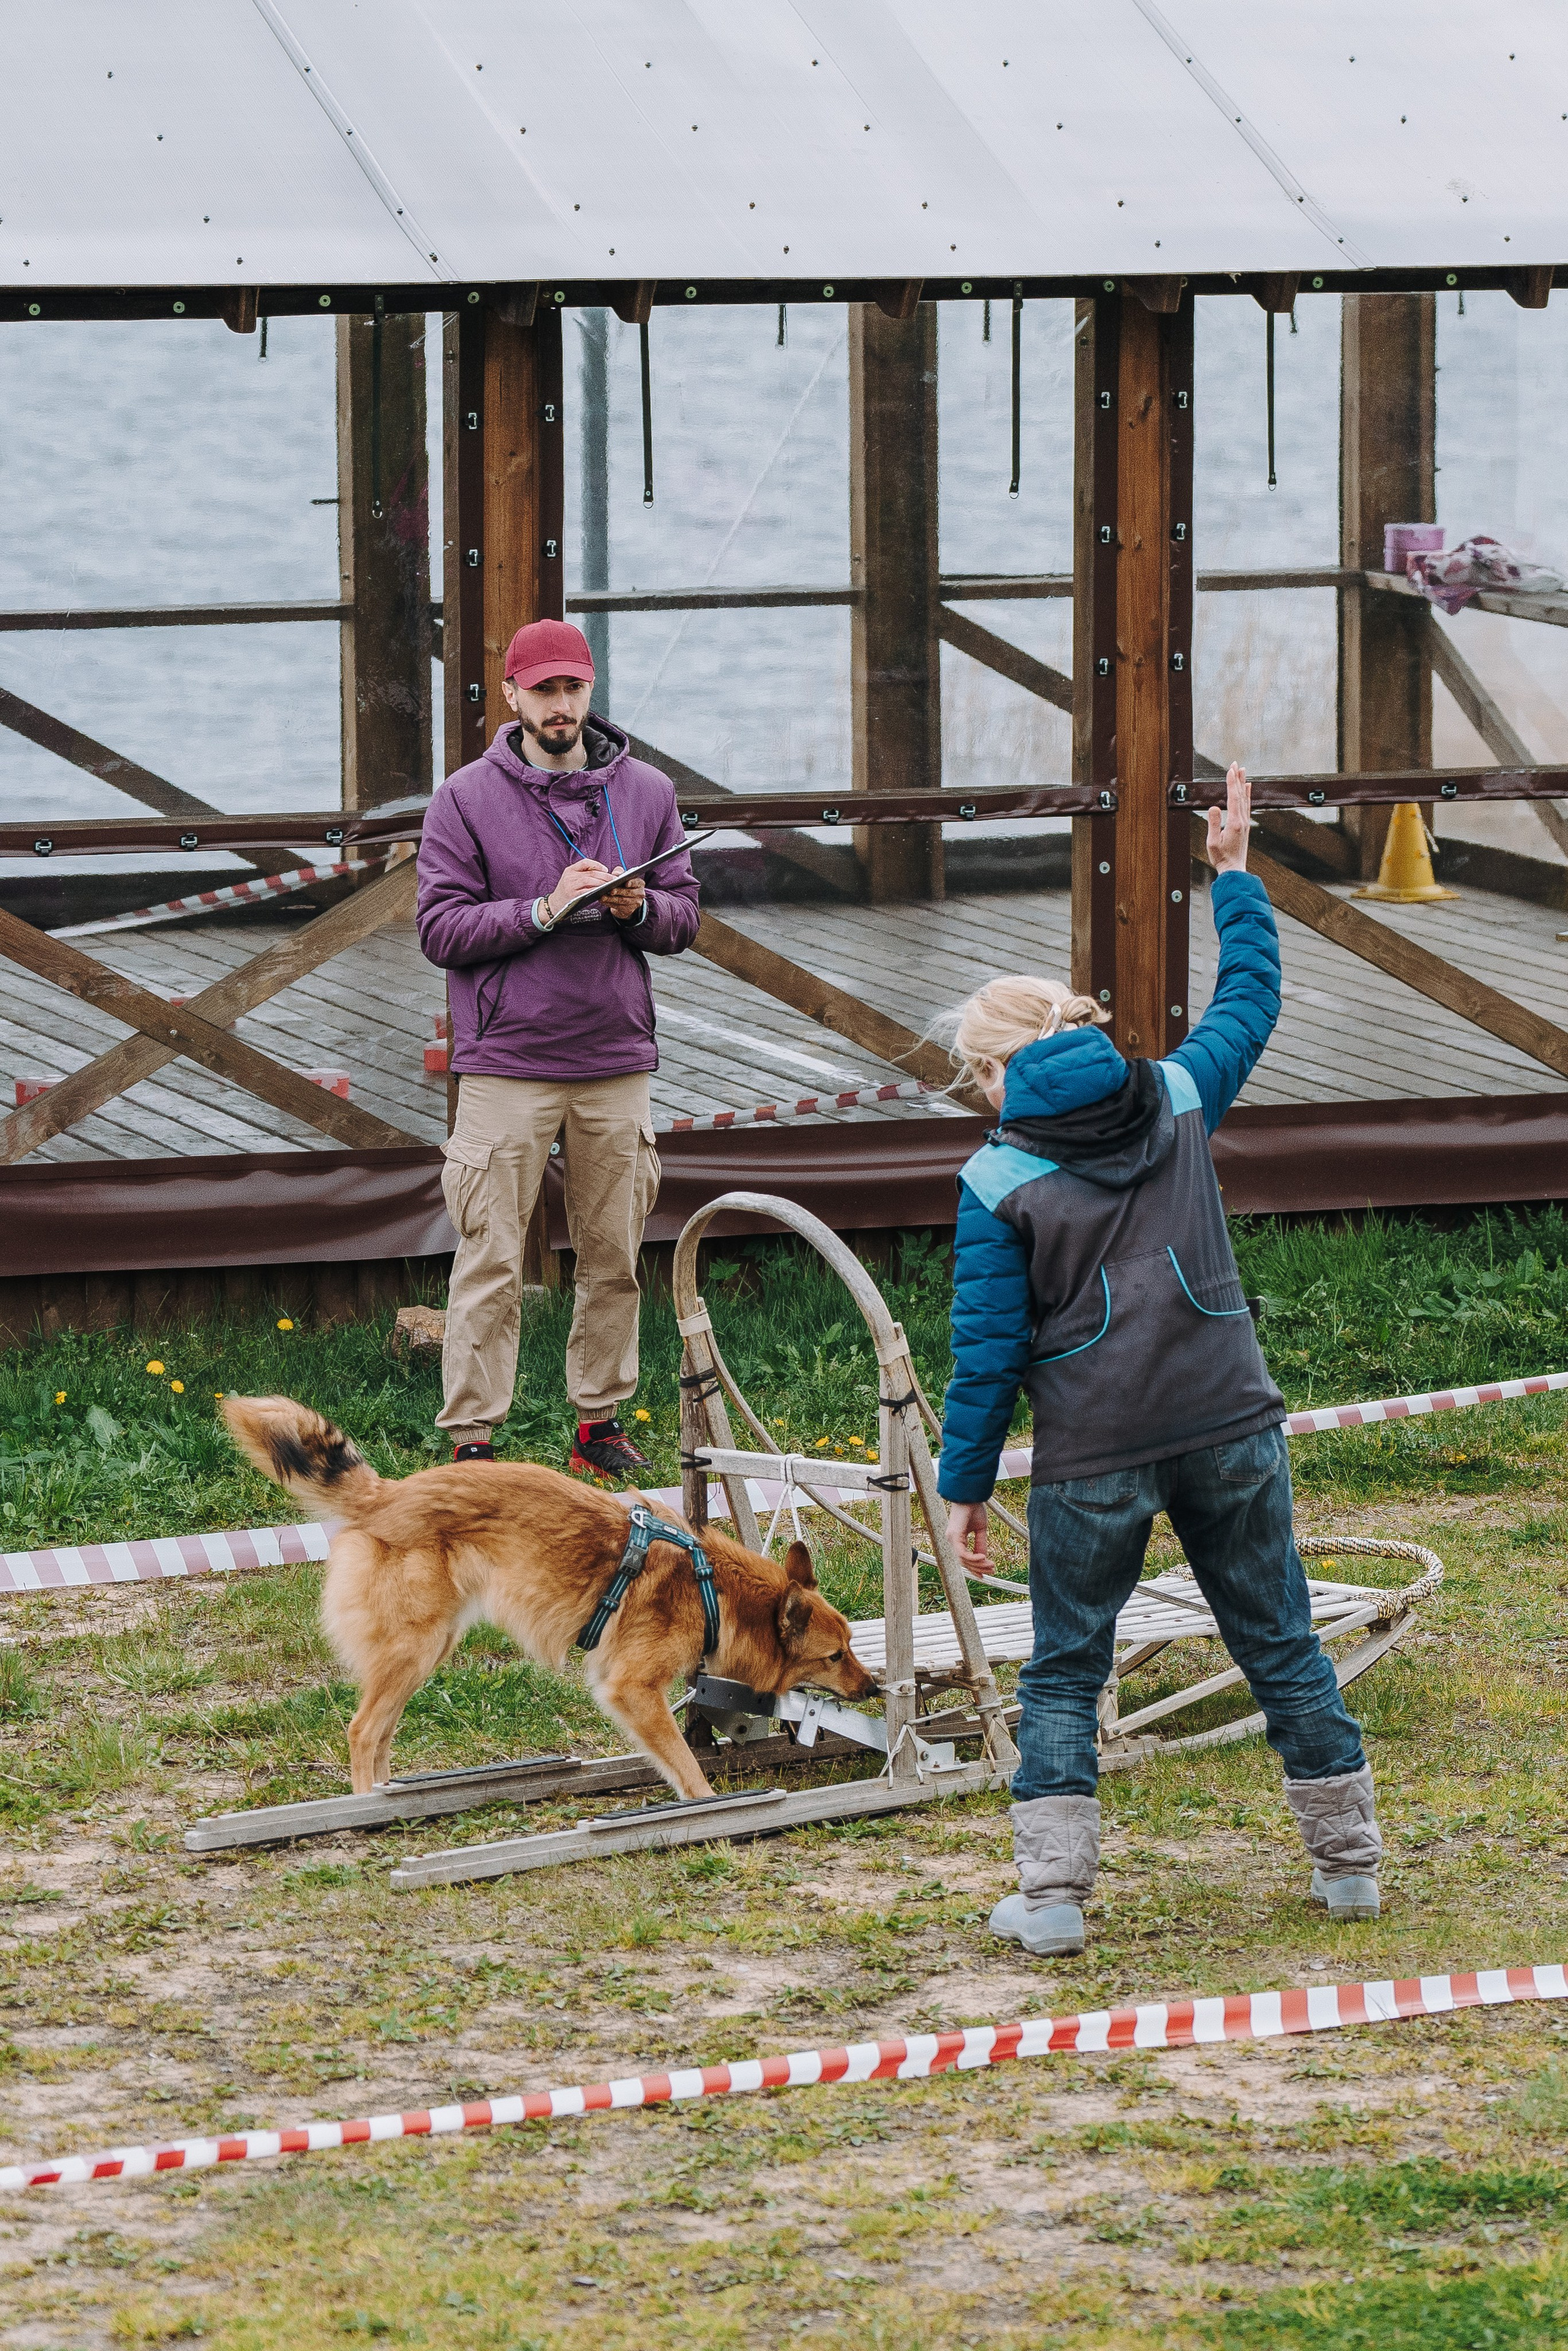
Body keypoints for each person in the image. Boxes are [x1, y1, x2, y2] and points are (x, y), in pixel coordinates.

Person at [938, 766, 1382, 1958]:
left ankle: (1051, 1896)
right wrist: (1229, 872)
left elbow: (984, 1355)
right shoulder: (1181, 1091)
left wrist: (964, 1483)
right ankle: (1346, 1866)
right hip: (1229, 1417)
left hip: (1094, 1452)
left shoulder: (993, 1177)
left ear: (994, 1073)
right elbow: (1249, 995)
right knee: (1277, 1633)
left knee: (1065, 1666)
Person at [416, 617, 699, 1480]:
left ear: (589, 689)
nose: (562, 704)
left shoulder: (647, 790)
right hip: (505, 1061)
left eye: (573, 687)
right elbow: (438, 928)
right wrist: (543, 908)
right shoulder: (463, 798)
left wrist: (638, 908)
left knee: (614, 1254)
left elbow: (685, 915)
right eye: (544, 690)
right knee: (491, 1258)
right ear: (511, 696)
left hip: (615, 1059)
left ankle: (598, 1424)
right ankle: (473, 1440)